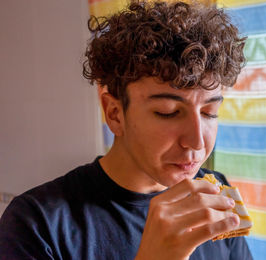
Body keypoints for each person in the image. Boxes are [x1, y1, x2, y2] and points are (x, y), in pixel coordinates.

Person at [0, 1, 252, 259]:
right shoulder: (35, 224)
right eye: (168, 112)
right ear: (114, 113)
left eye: (210, 113)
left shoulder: (215, 194)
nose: (197, 142)